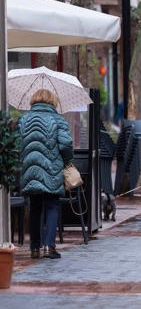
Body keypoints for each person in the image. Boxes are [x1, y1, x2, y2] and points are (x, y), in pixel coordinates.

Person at [18, 89, 73, 259]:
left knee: (35, 207)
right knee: (52, 206)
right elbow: (65, 145)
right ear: (53, 101)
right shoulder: (58, 120)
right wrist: (67, 160)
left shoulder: (24, 119)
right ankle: (50, 247)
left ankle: (34, 248)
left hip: (30, 170)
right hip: (52, 169)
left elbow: (17, 143)